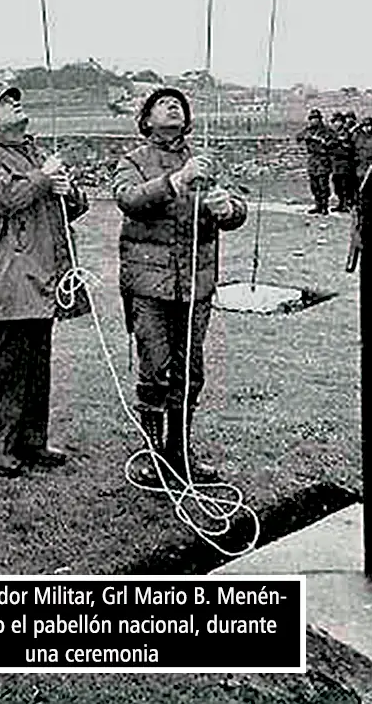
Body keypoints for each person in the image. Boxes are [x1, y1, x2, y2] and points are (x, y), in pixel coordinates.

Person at [113, 88, 247, 486]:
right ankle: (152, 456)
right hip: (149, 285)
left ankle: (179, 453)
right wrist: (175, 180)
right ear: (147, 119)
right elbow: (129, 200)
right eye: (163, 103)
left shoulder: (205, 161)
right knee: (155, 368)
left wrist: (229, 209)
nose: (173, 106)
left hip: (196, 285)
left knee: (190, 371)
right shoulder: (133, 161)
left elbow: (236, 207)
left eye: (179, 104)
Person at [0, 84, 88, 478]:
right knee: (8, 368)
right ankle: (0, 447)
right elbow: (5, 198)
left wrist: (70, 193)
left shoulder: (34, 155)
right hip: (12, 276)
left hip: (45, 276)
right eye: (5, 102)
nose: (15, 102)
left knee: (37, 365)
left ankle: (33, 441)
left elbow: (64, 210)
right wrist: (43, 177)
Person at [296, 108, 332, 214]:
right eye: (312, 119)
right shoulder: (308, 130)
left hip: (323, 159)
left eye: (316, 119)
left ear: (320, 119)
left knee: (323, 184)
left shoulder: (326, 130)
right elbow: (298, 137)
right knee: (314, 185)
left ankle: (324, 206)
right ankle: (318, 205)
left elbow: (334, 141)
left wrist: (323, 141)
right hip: (312, 160)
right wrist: (307, 137)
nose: (314, 121)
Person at [328, 112, 355, 212]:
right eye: (335, 122)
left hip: (345, 163)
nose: (336, 124)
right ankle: (340, 203)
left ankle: (346, 204)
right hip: (336, 164)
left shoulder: (346, 133)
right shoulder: (333, 133)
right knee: (337, 185)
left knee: (345, 185)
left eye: (338, 121)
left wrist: (339, 142)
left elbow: (348, 147)